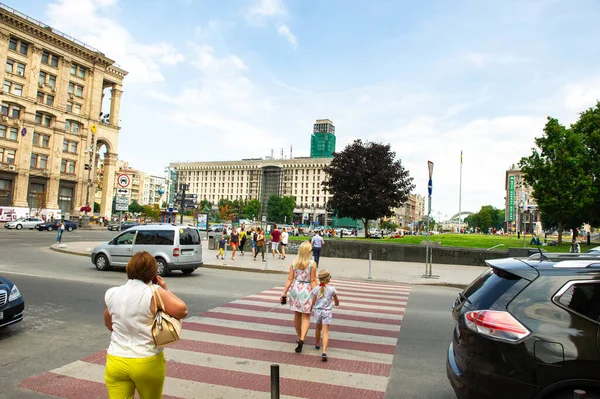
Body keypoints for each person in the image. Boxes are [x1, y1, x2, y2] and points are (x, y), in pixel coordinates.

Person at [103, 252, 188, 399]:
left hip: (115, 360)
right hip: (146, 360)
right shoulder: (153, 292)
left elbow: (109, 322)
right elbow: (182, 310)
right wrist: (165, 289)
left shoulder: (112, 293)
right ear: (153, 273)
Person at [280, 241, 317, 353]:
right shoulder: (312, 264)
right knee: (306, 316)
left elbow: (290, 279)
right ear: (308, 252)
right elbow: (313, 280)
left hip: (295, 290)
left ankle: (299, 336)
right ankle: (302, 339)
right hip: (307, 291)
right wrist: (317, 293)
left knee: (296, 314)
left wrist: (284, 293)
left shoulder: (294, 263)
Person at [311, 269, 339, 362]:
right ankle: (324, 352)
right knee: (325, 332)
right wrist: (337, 304)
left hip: (318, 311)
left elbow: (313, 301)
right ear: (328, 279)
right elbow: (336, 300)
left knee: (318, 329)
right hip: (327, 312)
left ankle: (317, 343)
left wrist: (311, 307)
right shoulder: (332, 289)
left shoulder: (316, 289)